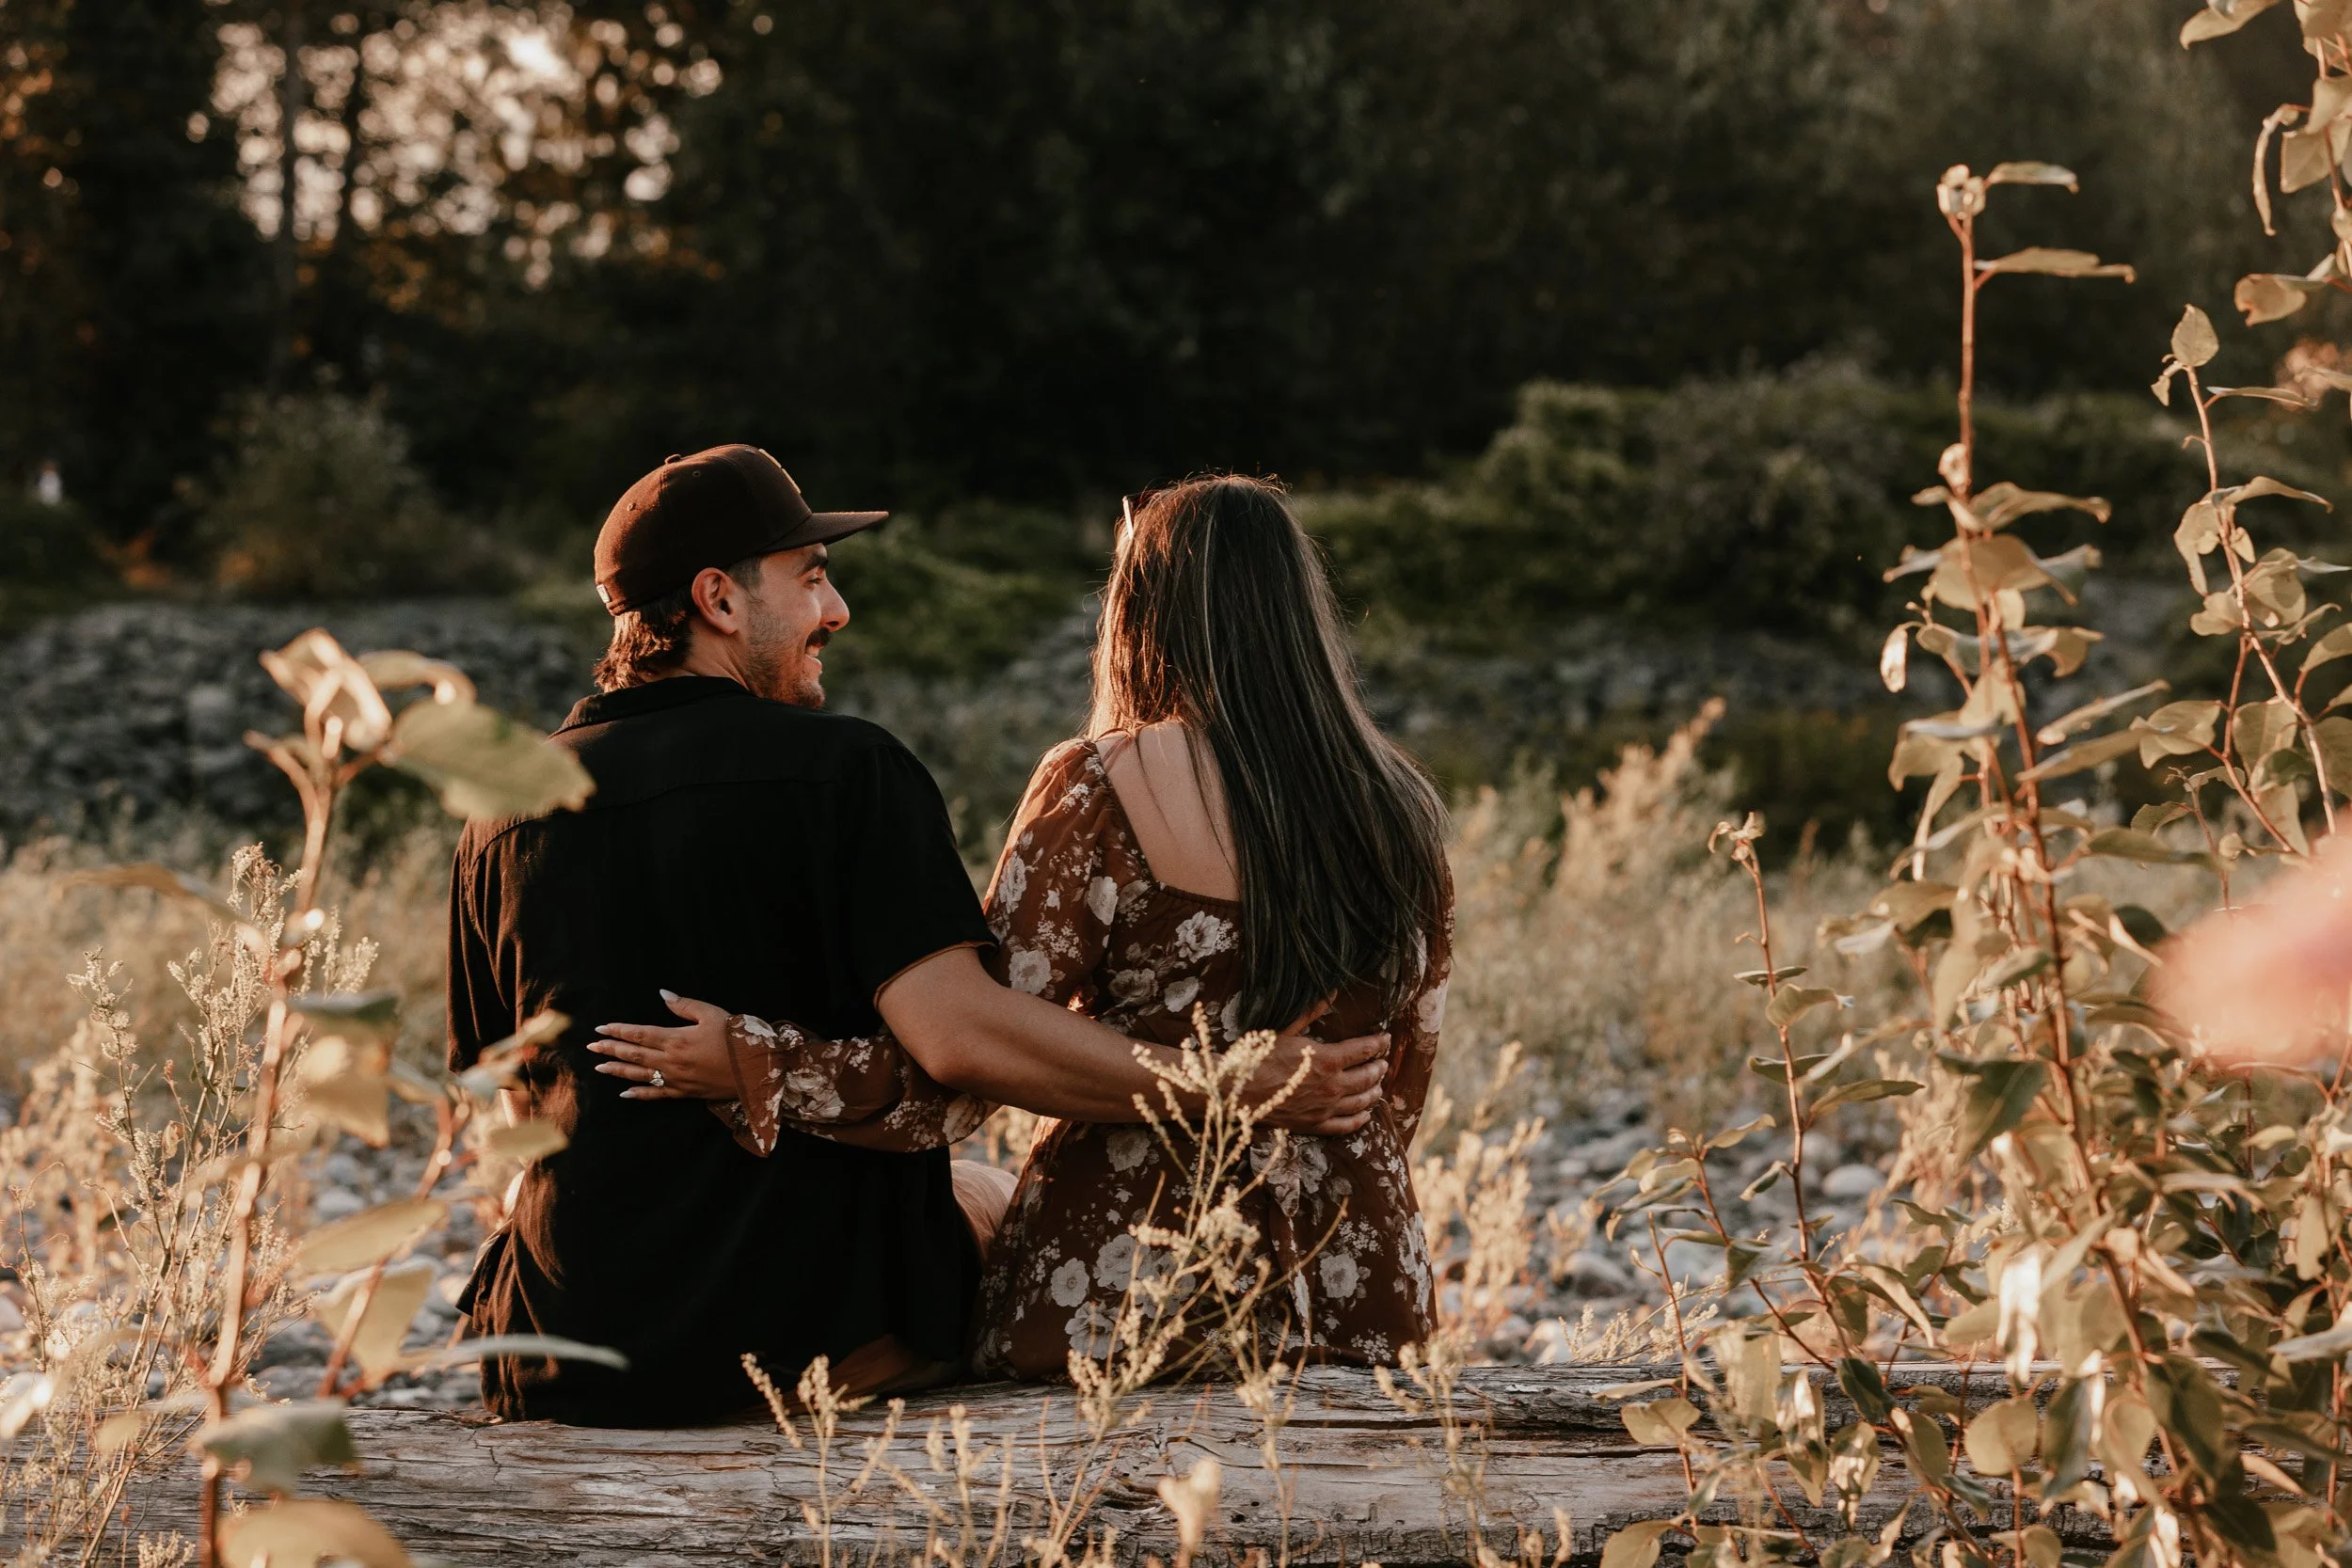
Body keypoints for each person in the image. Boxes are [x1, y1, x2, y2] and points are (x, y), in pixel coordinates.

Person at [447, 449, 1391, 1426]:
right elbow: (963, 1040)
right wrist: (1238, 1082)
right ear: (718, 599)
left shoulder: (500, 815)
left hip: (566, 1348)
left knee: (975, 1188)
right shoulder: (846, 772)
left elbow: (503, 1112)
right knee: (987, 1204)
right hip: (819, 1341)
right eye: (811, 577)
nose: (838, 609)